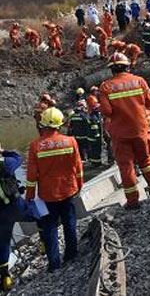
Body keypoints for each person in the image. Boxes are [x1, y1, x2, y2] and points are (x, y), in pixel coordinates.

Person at [98, 53, 150, 209]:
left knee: (126, 166)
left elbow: (106, 111)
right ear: (127, 66)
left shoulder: (105, 87)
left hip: (120, 134)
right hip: (140, 129)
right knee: (146, 160)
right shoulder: (139, 81)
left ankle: (133, 201)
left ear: (112, 69)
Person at [26, 107, 83, 271]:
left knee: (49, 228)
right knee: (69, 222)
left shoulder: (35, 146)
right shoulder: (70, 141)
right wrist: (79, 184)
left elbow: (31, 176)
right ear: (59, 124)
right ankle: (72, 254)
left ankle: (54, 264)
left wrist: (30, 195)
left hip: (48, 195)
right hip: (68, 189)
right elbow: (78, 167)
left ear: (42, 125)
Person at [0, 146, 24, 290]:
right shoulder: (6, 163)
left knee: (3, 243)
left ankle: (5, 278)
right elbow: (18, 157)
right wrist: (3, 151)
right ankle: (44, 245)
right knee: (43, 216)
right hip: (14, 207)